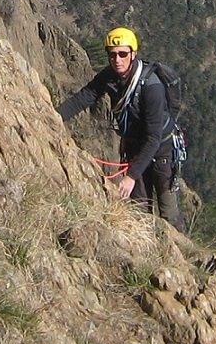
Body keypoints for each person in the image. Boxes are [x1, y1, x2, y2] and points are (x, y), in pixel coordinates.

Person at [58, 26, 185, 232]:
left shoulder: (152, 87)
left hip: (162, 152)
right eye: (112, 54)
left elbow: (153, 138)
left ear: (133, 54)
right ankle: (146, 254)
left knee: (168, 215)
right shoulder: (110, 77)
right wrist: (53, 117)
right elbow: (83, 98)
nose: (117, 59)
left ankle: (183, 257)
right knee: (138, 212)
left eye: (123, 54)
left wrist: (131, 176)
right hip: (135, 150)